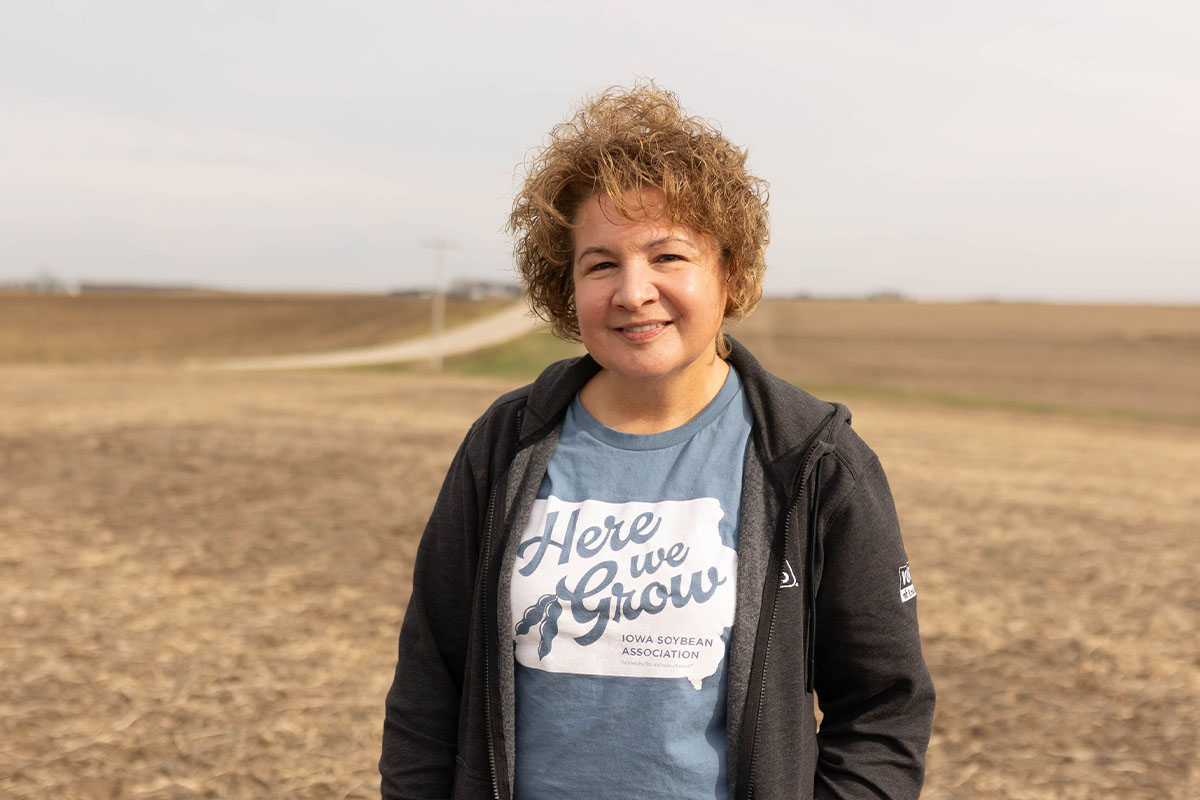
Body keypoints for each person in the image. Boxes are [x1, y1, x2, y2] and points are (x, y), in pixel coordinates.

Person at [380, 83, 935, 800]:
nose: (633, 291)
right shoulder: (506, 443)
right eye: (601, 263)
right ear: (567, 285)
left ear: (729, 273)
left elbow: (884, 711)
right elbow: (431, 682)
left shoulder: (811, 459)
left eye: (668, 256)